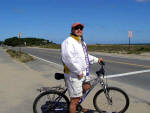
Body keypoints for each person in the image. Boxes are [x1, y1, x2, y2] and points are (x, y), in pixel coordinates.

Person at [61, 22, 102, 113]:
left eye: (81, 28)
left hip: (84, 74)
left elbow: (85, 56)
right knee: (74, 100)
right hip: (74, 74)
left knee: (87, 87)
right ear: (72, 30)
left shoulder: (82, 42)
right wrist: (78, 72)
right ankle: (74, 105)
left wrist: (97, 59)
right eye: (76, 28)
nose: (79, 29)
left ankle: (77, 105)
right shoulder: (68, 42)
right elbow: (67, 60)